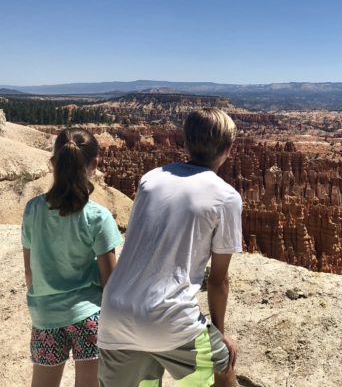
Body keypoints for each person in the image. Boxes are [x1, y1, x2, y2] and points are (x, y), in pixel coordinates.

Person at [98, 108, 242, 387]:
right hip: (170, 319)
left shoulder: (150, 179)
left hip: (115, 312)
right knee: (222, 375)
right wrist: (218, 333)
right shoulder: (226, 197)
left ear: (185, 143)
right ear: (228, 149)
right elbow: (218, 280)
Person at [22, 128, 123, 387]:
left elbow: (29, 273)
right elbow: (109, 282)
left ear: (53, 163)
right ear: (94, 165)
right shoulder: (98, 218)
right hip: (89, 317)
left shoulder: (33, 210)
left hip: (45, 316)